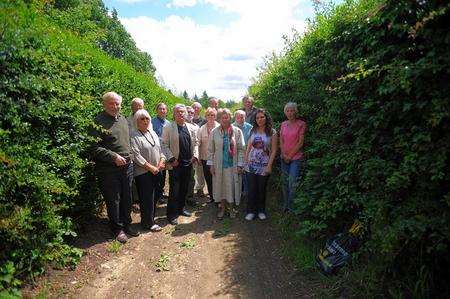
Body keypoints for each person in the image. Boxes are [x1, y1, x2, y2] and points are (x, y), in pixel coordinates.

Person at [91, 91, 139, 243]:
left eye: (117, 103)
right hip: (108, 170)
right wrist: (113, 157)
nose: (115, 106)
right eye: (111, 103)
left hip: (127, 167)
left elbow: (128, 142)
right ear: (104, 104)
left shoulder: (123, 119)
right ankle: (117, 229)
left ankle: (127, 225)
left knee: (127, 197)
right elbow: (93, 147)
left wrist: (130, 156)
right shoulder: (97, 122)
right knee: (114, 200)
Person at [162, 104, 199, 225]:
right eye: (178, 112)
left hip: (188, 163)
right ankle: (172, 214)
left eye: (183, 112)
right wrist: (172, 159)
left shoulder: (190, 127)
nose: (181, 114)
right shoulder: (168, 127)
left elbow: (196, 143)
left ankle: (181, 209)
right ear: (173, 114)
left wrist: (195, 155)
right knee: (174, 190)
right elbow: (164, 145)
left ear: (186, 113)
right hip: (175, 164)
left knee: (184, 188)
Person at [130, 109, 165, 231]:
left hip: (157, 170)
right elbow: (136, 155)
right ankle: (148, 223)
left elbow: (160, 150)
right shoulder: (134, 135)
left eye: (147, 119)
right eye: (142, 119)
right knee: (147, 198)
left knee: (155, 196)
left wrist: (161, 162)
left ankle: (150, 218)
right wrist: (151, 168)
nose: (145, 121)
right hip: (144, 173)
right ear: (136, 121)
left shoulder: (153, 133)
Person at [208, 108, 245, 219]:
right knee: (220, 186)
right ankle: (223, 209)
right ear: (219, 118)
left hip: (232, 165)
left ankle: (232, 208)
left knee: (232, 186)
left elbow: (241, 149)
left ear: (230, 117)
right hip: (219, 165)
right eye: (222, 117)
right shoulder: (214, 131)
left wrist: (240, 164)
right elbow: (210, 150)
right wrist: (211, 165)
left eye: (227, 117)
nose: (225, 119)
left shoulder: (237, 131)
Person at [244, 108, 278, 221]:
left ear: (266, 118)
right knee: (252, 189)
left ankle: (261, 210)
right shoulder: (252, 130)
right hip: (251, 165)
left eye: (262, 117)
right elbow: (249, 146)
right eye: (257, 117)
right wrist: (246, 159)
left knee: (261, 189)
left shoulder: (272, 132)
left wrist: (269, 165)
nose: (260, 119)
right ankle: (251, 211)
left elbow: (273, 150)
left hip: (264, 165)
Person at [280, 102, 306, 212]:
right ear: (285, 112)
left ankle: (292, 207)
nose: (290, 113)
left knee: (292, 182)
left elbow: (300, 142)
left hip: (295, 158)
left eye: (292, 110)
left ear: (295, 111)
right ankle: (285, 205)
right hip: (284, 157)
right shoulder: (283, 124)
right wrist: (283, 154)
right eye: (288, 111)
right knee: (285, 182)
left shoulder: (301, 124)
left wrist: (289, 156)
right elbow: (281, 140)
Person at [198, 107, 219, 203]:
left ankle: (218, 197)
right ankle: (212, 197)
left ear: (215, 116)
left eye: (212, 115)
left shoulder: (219, 127)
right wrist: (198, 157)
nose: (210, 116)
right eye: (208, 115)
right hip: (205, 157)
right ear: (205, 116)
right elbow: (198, 143)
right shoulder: (201, 128)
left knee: (217, 178)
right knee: (208, 178)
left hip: (218, 158)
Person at [151, 103, 170, 204]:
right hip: (156, 152)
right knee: (158, 173)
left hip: (166, 152)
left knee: (164, 173)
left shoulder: (169, 123)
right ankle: (157, 195)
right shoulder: (152, 122)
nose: (162, 111)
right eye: (160, 109)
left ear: (166, 111)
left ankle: (161, 193)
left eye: (164, 109)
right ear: (156, 110)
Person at [232, 110, 253, 200]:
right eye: (238, 117)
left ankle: (246, 193)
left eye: (242, 117)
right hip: (236, 155)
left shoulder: (250, 127)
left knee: (246, 174)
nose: (241, 119)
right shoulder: (231, 127)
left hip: (248, 153)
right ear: (235, 117)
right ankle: (237, 194)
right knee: (237, 174)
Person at [185, 106, 203, 205]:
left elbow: (198, 142)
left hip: (193, 156)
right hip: (182, 156)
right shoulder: (179, 125)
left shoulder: (196, 127)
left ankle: (190, 197)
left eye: (192, 113)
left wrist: (197, 156)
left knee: (191, 177)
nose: (190, 114)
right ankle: (181, 199)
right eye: (188, 112)